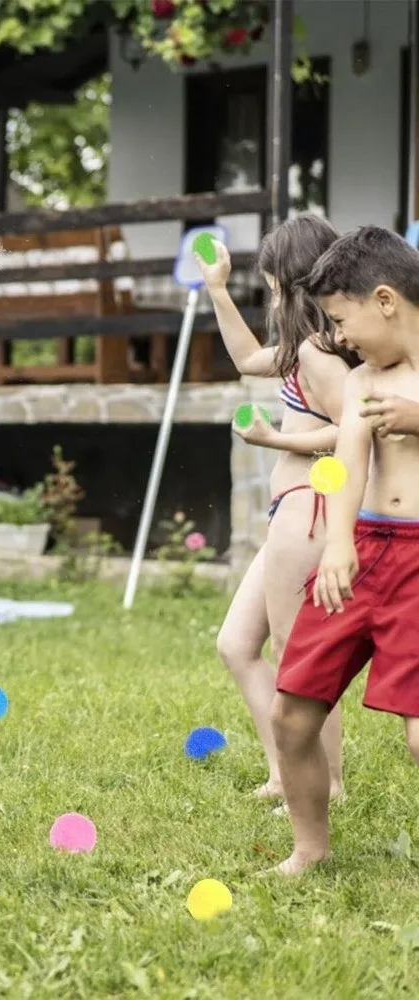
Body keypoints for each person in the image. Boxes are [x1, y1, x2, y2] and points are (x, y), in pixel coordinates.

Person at [271, 226, 419, 874]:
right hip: (362, 551)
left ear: (384, 299)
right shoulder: (361, 382)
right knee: (291, 713)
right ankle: (310, 847)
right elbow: (349, 464)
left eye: (342, 318)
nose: (341, 337)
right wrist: (336, 544)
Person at [197, 215, 359, 803]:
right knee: (236, 644)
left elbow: (352, 431)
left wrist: (274, 442)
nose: (268, 296)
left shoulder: (320, 354)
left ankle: (328, 782)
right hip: (290, 514)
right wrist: (217, 288)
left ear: (293, 285)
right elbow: (245, 359)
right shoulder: (303, 349)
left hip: (310, 511)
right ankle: (284, 770)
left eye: (270, 285)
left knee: (299, 661)